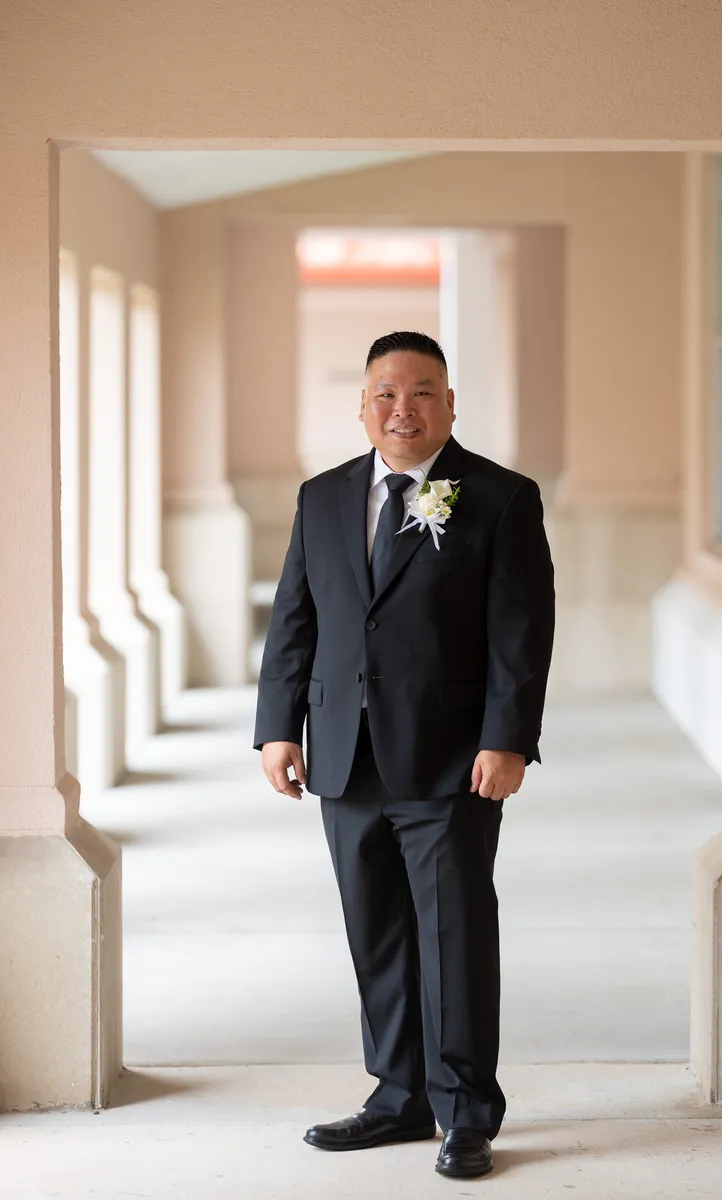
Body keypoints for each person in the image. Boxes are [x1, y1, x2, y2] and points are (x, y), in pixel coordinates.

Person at [254, 330, 555, 1179]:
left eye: (423, 392)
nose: (403, 408)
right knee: (377, 933)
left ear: (450, 405)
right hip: (344, 759)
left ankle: (465, 1113)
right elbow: (294, 621)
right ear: (362, 406)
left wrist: (508, 738)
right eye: (386, 393)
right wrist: (278, 727)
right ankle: (398, 1097)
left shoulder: (498, 498)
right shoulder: (321, 498)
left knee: (453, 937)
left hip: (453, 761)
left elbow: (521, 634)